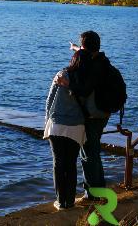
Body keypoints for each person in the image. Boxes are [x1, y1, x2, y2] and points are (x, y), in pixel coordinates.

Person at [54, 31, 111, 204]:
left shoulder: (93, 66)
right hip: (103, 111)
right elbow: (84, 54)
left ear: (85, 48)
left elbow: (85, 90)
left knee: (88, 154)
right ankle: (99, 189)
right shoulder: (102, 60)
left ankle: (92, 194)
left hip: (93, 115)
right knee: (93, 151)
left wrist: (67, 84)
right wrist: (75, 48)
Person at [44, 50, 89, 210]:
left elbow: (49, 100)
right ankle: (70, 201)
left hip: (57, 124)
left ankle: (60, 201)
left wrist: (46, 122)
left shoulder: (62, 74)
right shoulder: (87, 80)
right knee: (71, 163)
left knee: (58, 163)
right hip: (76, 126)